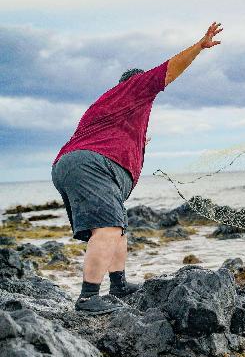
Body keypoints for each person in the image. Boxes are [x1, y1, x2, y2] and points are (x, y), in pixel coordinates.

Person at [51, 21, 224, 314]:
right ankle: (87, 297)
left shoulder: (111, 107)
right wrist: (199, 46)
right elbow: (169, 70)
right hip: (92, 165)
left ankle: (118, 285)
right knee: (107, 229)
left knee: (116, 228)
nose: (153, 92)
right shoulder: (134, 89)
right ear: (134, 84)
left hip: (77, 165)